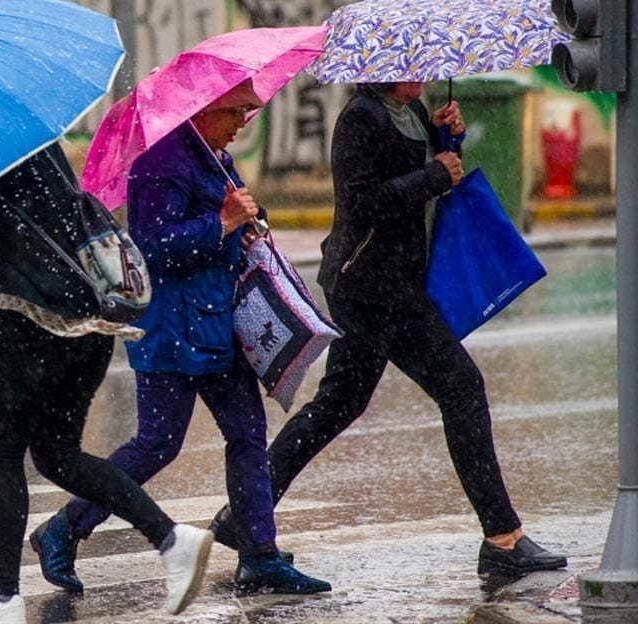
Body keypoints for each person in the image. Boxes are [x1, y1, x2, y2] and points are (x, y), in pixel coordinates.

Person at [208, 82, 567, 580]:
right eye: (407, 66)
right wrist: (433, 174)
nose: (418, 72)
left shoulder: (412, 108)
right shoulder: (360, 118)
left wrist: (448, 141)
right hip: (373, 286)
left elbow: (434, 175)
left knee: (340, 402)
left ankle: (243, 514)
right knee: (461, 387)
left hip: (390, 281)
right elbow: (366, 202)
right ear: (380, 70)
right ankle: (502, 538)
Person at [29, 82, 331, 597]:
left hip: (216, 324)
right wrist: (222, 222)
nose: (241, 122)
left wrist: (248, 226)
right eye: (235, 111)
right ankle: (63, 529)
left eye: (248, 113)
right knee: (158, 444)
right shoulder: (162, 162)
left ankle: (259, 555)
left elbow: (228, 221)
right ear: (202, 108)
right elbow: (153, 247)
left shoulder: (213, 155)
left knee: (247, 433)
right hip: (171, 329)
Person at [0, 144, 214, 624]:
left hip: (33, 323)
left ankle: (1, 595)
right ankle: (172, 539)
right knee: (58, 455)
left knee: (0, 455)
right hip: (89, 321)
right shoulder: (31, 138)